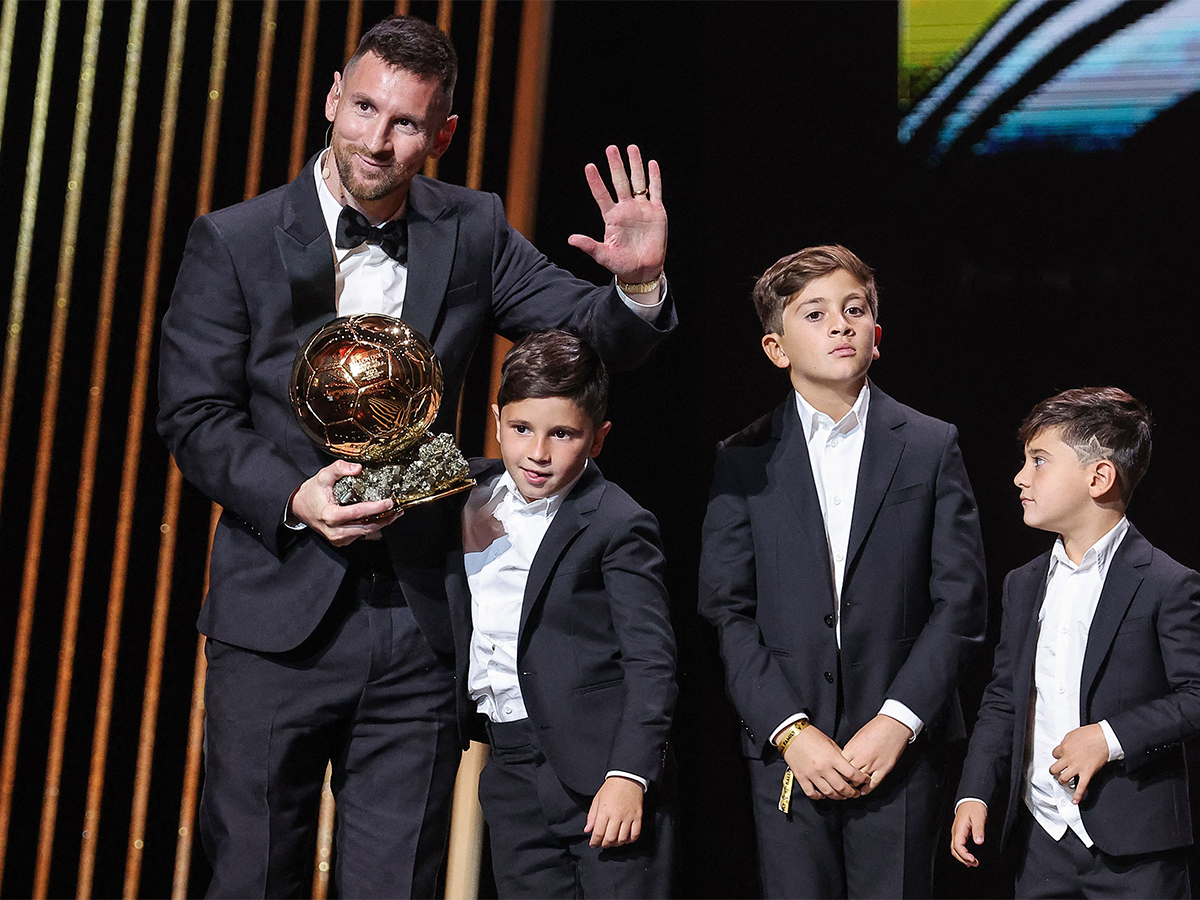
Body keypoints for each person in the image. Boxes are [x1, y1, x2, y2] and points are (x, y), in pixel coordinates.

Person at [156, 14, 675, 899]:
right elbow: (194, 416)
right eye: (363, 107)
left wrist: (632, 286)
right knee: (250, 877)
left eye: (405, 123)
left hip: (418, 624)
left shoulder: (470, 228)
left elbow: (586, 335)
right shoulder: (234, 240)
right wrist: (296, 494)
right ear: (332, 98)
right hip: (274, 619)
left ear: (443, 135)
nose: (376, 139)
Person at [699, 245, 987, 898]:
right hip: (791, 755)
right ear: (776, 348)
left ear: (876, 337)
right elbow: (726, 610)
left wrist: (898, 720)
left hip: (900, 751)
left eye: (854, 310)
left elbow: (961, 603)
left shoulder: (930, 446)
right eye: (816, 313)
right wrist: (789, 730)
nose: (840, 325)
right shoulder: (743, 459)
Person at [446, 330, 676, 898]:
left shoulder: (618, 522)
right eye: (521, 429)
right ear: (497, 419)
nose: (537, 453)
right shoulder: (461, 493)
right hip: (508, 764)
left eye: (563, 434)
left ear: (598, 439)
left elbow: (652, 663)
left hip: (599, 772)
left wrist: (629, 775)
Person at [951, 387, 1200, 898]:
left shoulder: (1165, 583)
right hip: (1041, 843)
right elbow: (1003, 699)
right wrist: (974, 792)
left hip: (1137, 853)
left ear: (1099, 477)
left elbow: (1196, 694)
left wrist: (1107, 738)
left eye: (1039, 461)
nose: (1021, 477)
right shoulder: (1022, 584)